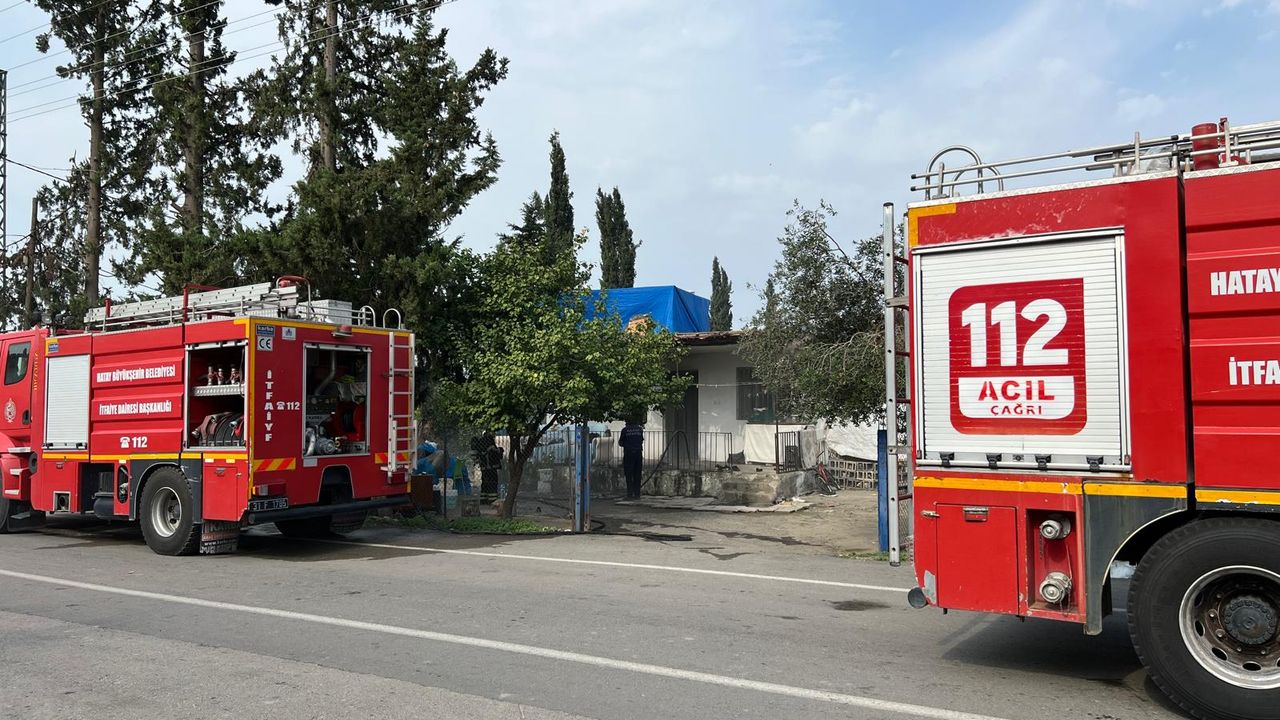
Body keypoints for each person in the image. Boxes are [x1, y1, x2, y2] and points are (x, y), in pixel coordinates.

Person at [618, 420, 645, 499]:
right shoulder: (639, 429)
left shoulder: (625, 430)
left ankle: (630, 494)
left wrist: (627, 444)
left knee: (629, 474)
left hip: (629, 454)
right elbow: (641, 440)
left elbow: (621, 442)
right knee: (637, 474)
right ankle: (637, 494)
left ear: (627, 423)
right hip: (638, 454)